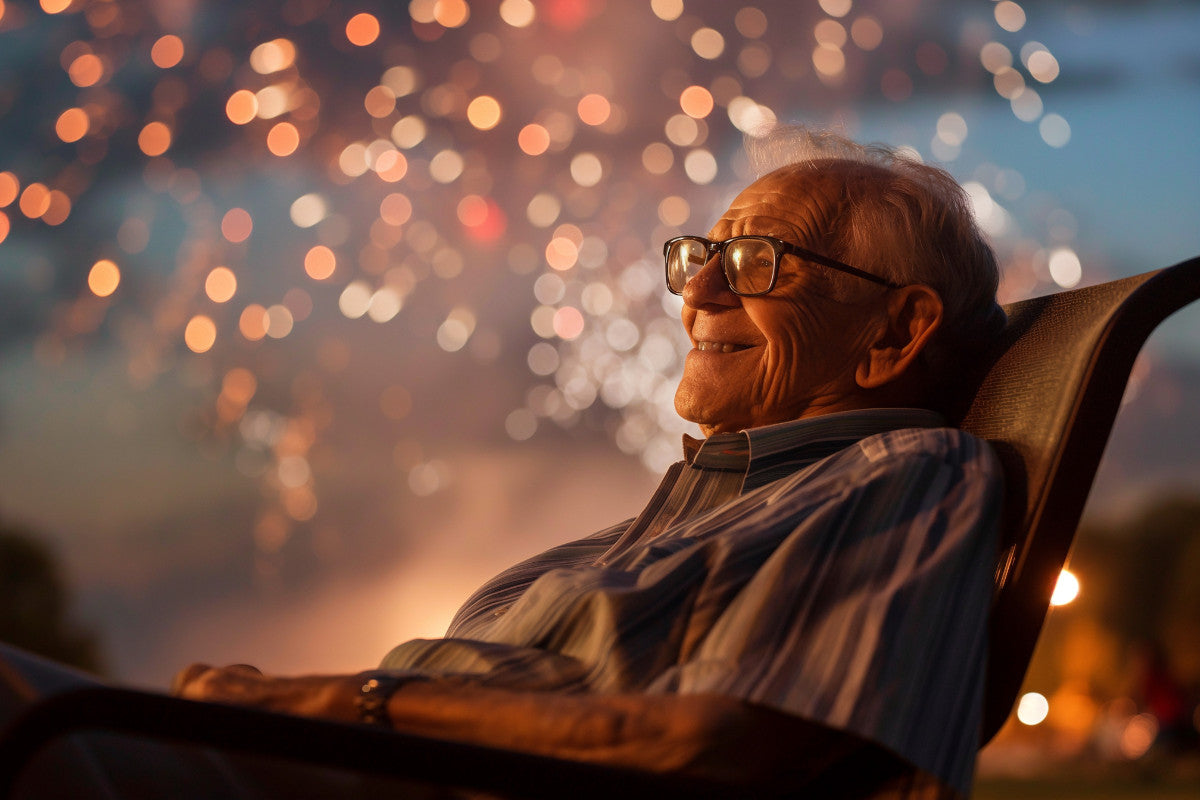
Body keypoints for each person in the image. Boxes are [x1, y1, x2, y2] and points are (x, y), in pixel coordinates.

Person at [5, 126, 1007, 798]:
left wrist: (340, 702)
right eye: (701, 252)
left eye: (758, 261)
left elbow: (720, 745)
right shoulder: (723, 506)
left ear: (893, 331)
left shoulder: (901, 475)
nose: (695, 289)